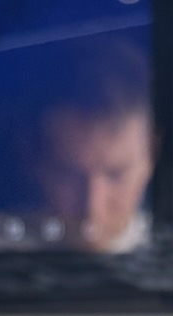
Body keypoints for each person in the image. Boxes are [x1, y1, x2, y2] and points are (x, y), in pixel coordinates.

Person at [26, 37, 157, 253]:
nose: (92, 208)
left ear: (153, 152)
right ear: (31, 155)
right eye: (68, 175)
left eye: (116, 175)